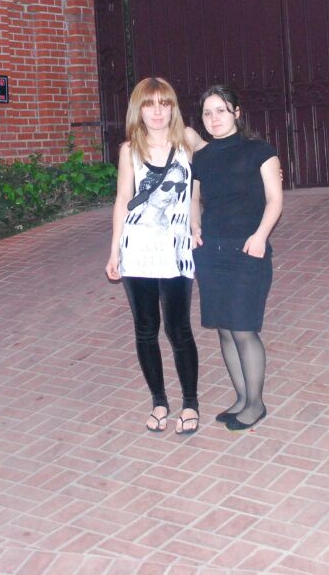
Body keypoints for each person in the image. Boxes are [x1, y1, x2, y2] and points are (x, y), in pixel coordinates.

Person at [105, 77, 206, 435]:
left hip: (176, 248)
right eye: (150, 104)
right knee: (146, 329)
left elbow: (222, 158)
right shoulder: (129, 149)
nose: (158, 111)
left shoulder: (187, 139)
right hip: (138, 248)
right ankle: (159, 401)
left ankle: (190, 403)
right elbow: (122, 200)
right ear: (139, 109)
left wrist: (264, 166)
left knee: (179, 328)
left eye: (165, 103)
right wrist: (114, 250)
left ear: (173, 107)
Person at [190, 85, 283, 431]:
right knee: (225, 330)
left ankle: (255, 404)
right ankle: (242, 398)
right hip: (211, 252)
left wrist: (260, 236)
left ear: (237, 113)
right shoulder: (201, 156)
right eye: (207, 113)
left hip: (247, 251)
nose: (214, 118)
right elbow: (193, 198)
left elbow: (275, 199)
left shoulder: (259, 151)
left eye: (221, 110)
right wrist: (194, 227)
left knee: (244, 329)